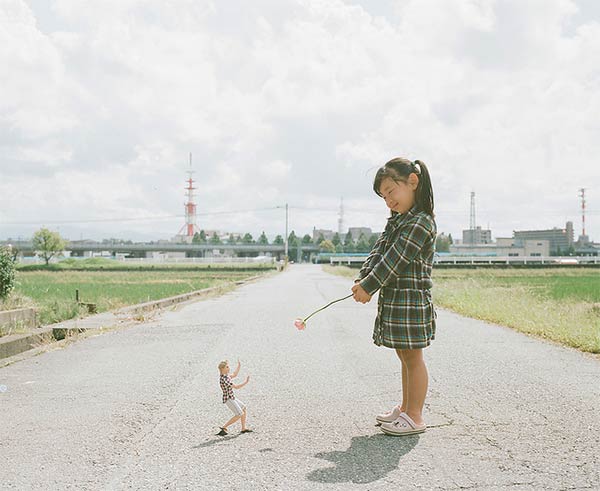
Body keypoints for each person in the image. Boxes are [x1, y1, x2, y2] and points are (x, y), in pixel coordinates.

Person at [351, 158, 437, 436]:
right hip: (397, 297)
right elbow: (379, 251)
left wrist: (370, 286)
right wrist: (363, 279)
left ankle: (416, 416)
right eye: (383, 196)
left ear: (412, 182)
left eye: (391, 191)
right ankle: (406, 408)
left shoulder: (421, 222)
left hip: (411, 299)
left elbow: (395, 259)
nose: (388, 200)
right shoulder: (398, 221)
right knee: (404, 355)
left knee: (414, 358)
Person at [217, 359, 252, 436]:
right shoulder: (224, 379)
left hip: (232, 397)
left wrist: (239, 366)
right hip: (228, 399)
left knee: (243, 408)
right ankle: (224, 427)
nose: (228, 368)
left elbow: (235, 374)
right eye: (227, 367)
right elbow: (236, 387)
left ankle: (243, 428)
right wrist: (246, 382)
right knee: (239, 414)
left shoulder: (226, 376)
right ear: (222, 369)